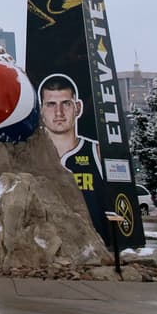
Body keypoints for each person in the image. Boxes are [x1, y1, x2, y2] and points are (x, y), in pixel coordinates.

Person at [39, 73, 108, 240]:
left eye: (66, 103)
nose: (59, 112)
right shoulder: (30, 155)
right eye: (51, 104)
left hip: (94, 249)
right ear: (41, 110)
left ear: (78, 107)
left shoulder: (97, 152)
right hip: (50, 250)